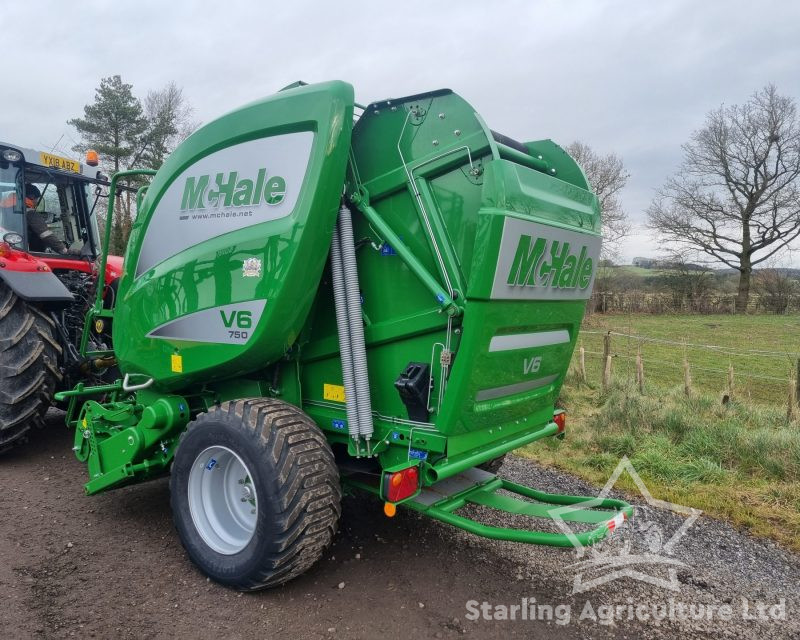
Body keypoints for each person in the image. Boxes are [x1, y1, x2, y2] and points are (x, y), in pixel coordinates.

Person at [24, 184, 70, 254]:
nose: (37, 202)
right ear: (32, 196)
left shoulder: (12, 209)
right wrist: (65, 250)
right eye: (37, 199)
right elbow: (46, 235)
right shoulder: (30, 213)